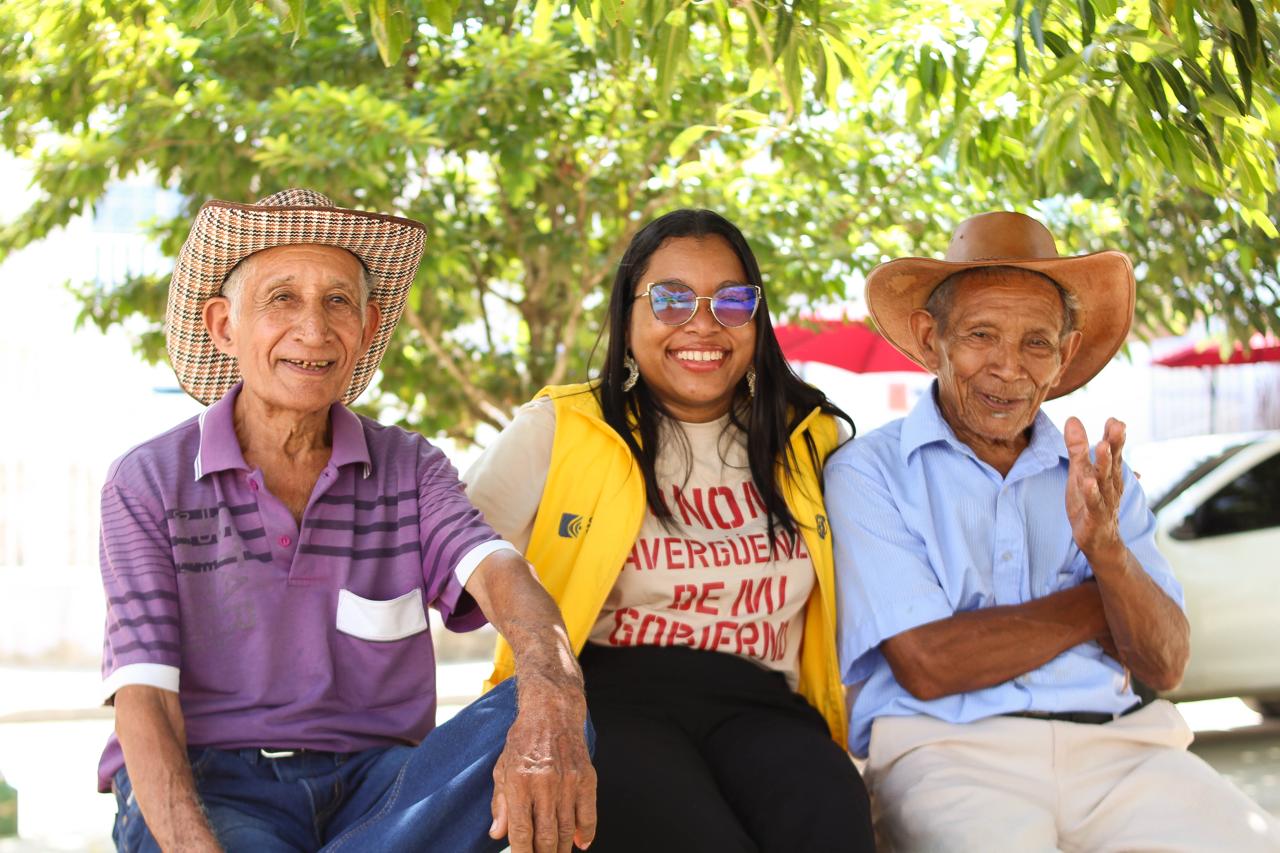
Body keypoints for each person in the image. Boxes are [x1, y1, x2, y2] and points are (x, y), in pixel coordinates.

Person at [98, 189, 595, 853]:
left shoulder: (411, 467)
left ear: (366, 326)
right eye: (282, 298)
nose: (314, 329)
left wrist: (554, 690)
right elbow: (145, 703)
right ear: (223, 325)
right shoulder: (148, 480)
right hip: (212, 780)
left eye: (338, 301)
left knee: (554, 709)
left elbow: (498, 571)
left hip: (378, 786)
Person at [826, 210, 1280, 851]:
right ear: (933, 340)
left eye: (1036, 343)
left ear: (1064, 354)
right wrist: (1102, 604)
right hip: (950, 752)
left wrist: (1107, 552)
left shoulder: (1102, 480)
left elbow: (1166, 661)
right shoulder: (868, 472)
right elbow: (930, 665)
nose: (1008, 367)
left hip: (1122, 747)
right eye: (981, 334)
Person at [464, 209, 876, 853]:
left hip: (764, 704)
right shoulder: (564, 429)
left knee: (831, 813)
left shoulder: (812, 438)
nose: (704, 324)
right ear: (626, 318)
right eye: (671, 299)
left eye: (732, 301)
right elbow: (452, 557)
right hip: (611, 700)